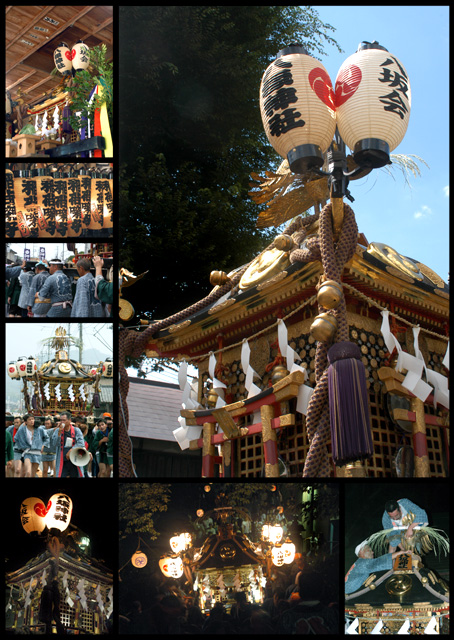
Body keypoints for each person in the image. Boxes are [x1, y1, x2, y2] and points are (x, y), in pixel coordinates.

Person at [345, 542, 411, 594]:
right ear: (361, 553)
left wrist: (392, 549)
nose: (372, 552)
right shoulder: (362, 563)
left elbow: (386, 565)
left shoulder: (360, 564)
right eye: (369, 550)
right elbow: (380, 561)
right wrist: (401, 552)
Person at [48, 410, 91, 477]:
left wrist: (71, 450)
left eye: (64, 420)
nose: (62, 422)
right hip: (62, 460)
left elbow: (81, 443)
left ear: (69, 420)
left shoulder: (76, 430)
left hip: (75, 459)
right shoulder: (57, 430)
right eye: (61, 420)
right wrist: (59, 433)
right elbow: (54, 444)